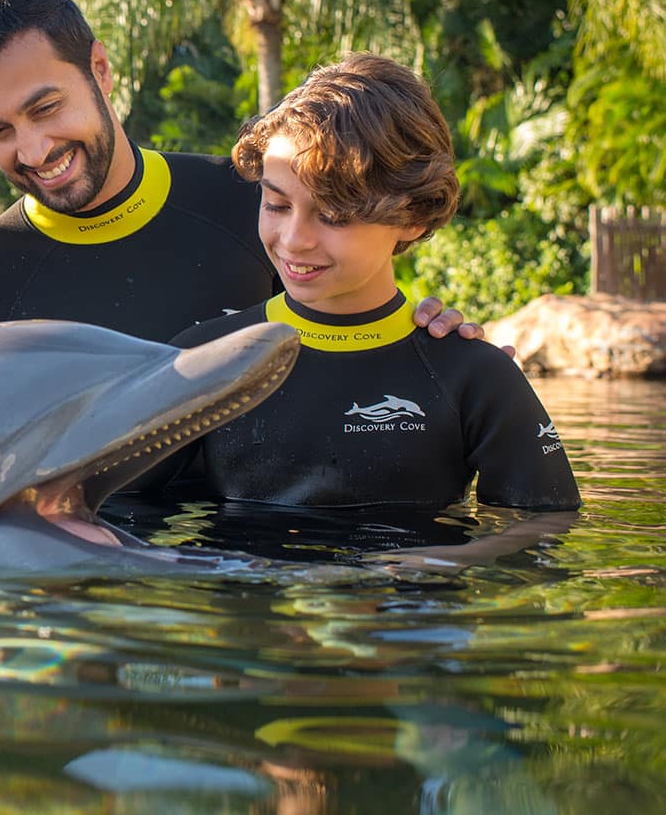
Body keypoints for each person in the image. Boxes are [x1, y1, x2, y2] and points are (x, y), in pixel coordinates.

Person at [0, 0, 476, 352]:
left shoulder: (257, 205)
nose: (34, 150)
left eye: (46, 108)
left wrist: (435, 335)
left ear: (99, 69)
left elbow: (360, 327)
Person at [144, 54, 579, 511]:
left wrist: (441, 564)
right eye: (276, 204)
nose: (294, 240)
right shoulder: (201, 361)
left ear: (413, 216)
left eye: (333, 215)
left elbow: (542, 528)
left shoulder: (473, 374)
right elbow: (108, 512)